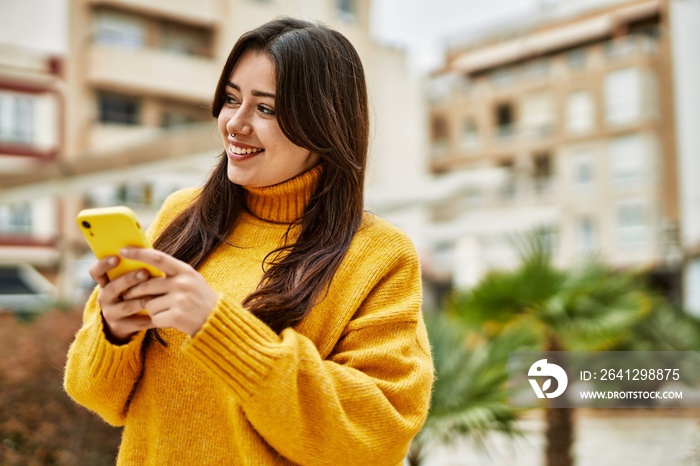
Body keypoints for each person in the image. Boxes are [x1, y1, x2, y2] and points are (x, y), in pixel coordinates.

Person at [64, 17, 433, 465]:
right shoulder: (181, 217)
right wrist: (114, 329)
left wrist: (217, 328)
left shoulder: (379, 256)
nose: (235, 125)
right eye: (231, 99)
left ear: (324, 122)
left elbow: (376, 435)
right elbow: (95, 395)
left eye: (266, 109)